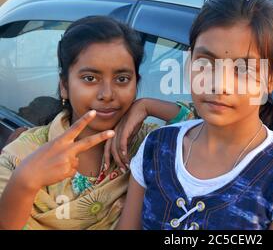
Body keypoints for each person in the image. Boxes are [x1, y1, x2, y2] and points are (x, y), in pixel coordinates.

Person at [118, 0, 273, 230]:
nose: (219, 85)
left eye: (243, 69)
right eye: (206, 63)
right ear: (189, 61)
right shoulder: (157, 147)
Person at [0, 16, 194, 230]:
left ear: (136, 84)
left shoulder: (148, 145)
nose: (107, 94)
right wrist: (25, 183)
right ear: (64, 85)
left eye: (122, 79)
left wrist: (147, 106)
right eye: (90, 78)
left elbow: (211, 129)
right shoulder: (23, 154)